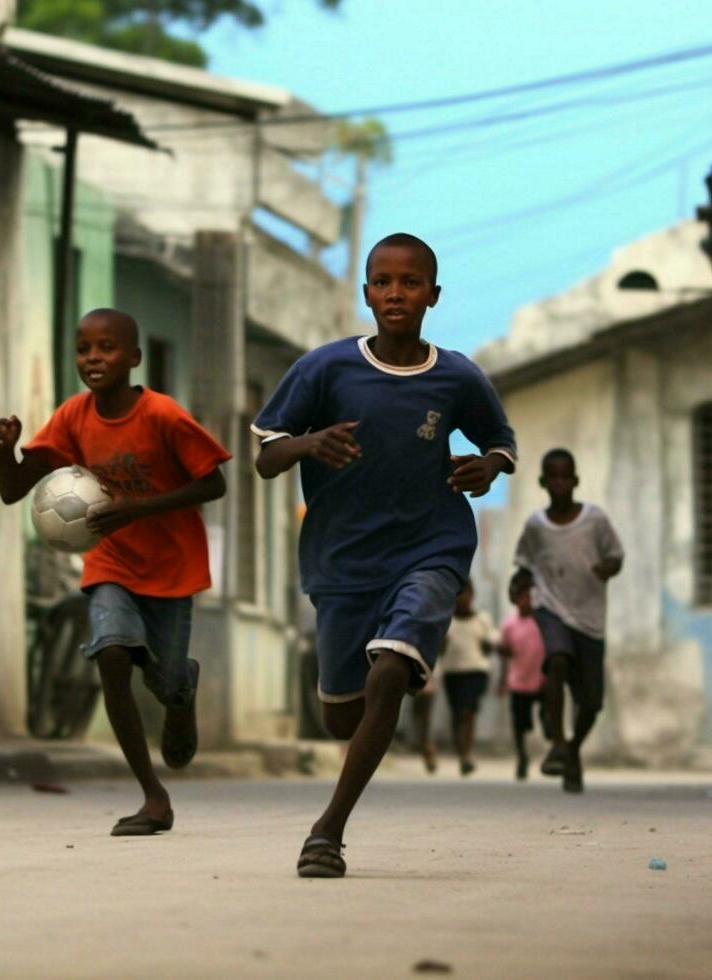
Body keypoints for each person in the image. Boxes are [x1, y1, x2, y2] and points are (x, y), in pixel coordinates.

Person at [252, 233, 516, 878]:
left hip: (432, 546)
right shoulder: (325, 368)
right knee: (342, 715)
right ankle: (360, 722)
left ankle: (326, 832)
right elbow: (265, 455)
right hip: (342, 559)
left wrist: (488, 465)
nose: (395, 293)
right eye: (382, 281)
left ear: (433, 294)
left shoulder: (456, 375)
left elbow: (500, 439)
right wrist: (309, 444)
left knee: (391, 672)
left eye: (409, 282)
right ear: (366, 291)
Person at [0, 308, 230, 837]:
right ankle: (152, 796)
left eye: (106, 348)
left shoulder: (164, 416)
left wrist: (139, 509)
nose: (93, 358)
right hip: (111, 562)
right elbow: (13, 490)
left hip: (171, 567)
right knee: (112, 655)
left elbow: (213, 485)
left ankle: (179, 692)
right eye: (83, 349)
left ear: (134, 358)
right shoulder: (74, 416)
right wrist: (5, 453)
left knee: (163, 681)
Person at [513, 448, 623, 795]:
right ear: (543, 482)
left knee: (591, 703)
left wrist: (607, 569)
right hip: (552, 609)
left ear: (575, 480)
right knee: (557, 660)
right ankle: (558, 743)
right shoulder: (535, 526)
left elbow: (616, 556)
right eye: (553, 476)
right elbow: (524, 567)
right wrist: (518, 586)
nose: (560, 483)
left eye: (566, 476)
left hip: (590, 617)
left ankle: (572, 751)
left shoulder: (595, 519)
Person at [438, 579, 498, 777]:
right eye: (459, 594)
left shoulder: (482, 619)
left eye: (466, 593)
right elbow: (440, 649)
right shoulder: (446, 620)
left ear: (472, 594)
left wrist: (489, 645)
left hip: (475, 671)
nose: (463, 598)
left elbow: (490, 645)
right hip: (453, 671)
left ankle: (466, 754)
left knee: (468, 711)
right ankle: (461, 751)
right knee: (457, 714)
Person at [497, 568, 546, 781]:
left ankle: (550, 731)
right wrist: (502, 680)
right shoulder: (509, 625)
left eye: (529, 595)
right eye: (521, 596)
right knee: (520, 724)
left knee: (548, 716)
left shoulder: (544, 622)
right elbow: (505, 655)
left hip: (543, 680)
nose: (526, 600)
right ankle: (522, 757)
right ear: (514, 598)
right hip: (519, 681)